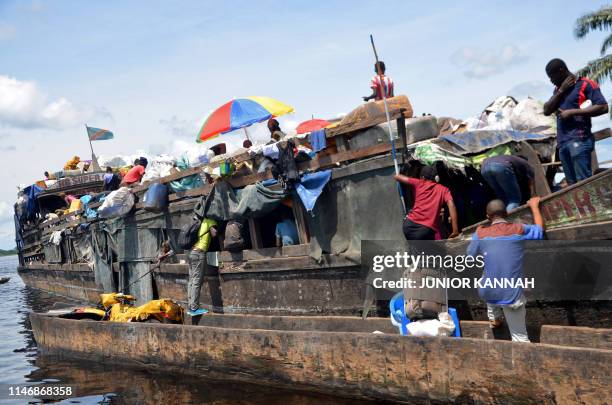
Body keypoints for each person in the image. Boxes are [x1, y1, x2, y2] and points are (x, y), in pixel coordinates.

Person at [467, 197, 545, 343]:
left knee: (488, 273)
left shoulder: (480, 233)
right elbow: (540, 231)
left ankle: (494, 317)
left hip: (488, 291)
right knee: (519, 338)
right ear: (508, 214)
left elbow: (470, 257)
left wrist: (479, 237)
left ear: (488, 217)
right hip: (510, 295)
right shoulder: (518, 229)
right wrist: (534, 206)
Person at [543, 58, 608, 184]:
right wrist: (561, 91)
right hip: (563, 144)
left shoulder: (585, 84)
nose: (551, 81)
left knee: (584, 183)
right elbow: (546, 110)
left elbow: (603, 106)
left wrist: (573, 112)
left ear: (561, 71)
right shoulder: (558, 90)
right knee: (572, 186)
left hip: (579, 139)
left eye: (552, 76)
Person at [394, 165, 459, 240]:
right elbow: (451, 205)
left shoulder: (419, 183)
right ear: (436, 178)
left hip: (409, 226)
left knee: (418, 249)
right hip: (425, 229)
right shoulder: (443, 190)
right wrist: (455, 230)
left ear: (423, 177)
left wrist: (411, 178)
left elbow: (397, 177)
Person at [187, 218, 218, 316]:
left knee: (192, 280)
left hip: (191, 252)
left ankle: (190, 306)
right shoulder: (209, 220)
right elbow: (214, 234)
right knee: (197, 280)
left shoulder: (196, 221)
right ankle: (194, 308)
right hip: (199, 253)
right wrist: (215, 227)